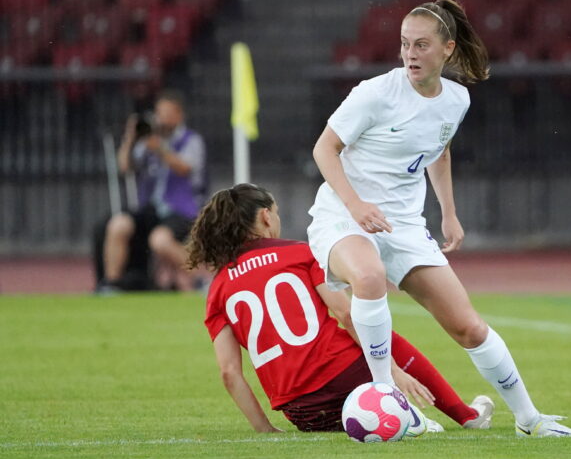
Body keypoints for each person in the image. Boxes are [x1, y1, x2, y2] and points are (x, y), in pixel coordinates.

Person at [307, 0, 571, 437]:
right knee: (370, 277)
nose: (410, 55)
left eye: (421, 45)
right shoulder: (374, 93)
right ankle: (387, 400)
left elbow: (439, 150)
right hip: (343, 215)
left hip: (405, 225)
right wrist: (357, 206)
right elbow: (324, 149)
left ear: (447, 49)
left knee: (469, 327)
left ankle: (530, 420)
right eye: (404, 45)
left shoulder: (457, 99)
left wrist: (449, 213)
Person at [187, 183, 494, 433]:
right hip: (347, 378)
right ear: (266, 216)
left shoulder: (217, 289)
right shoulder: (299, 254)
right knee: (380, 330)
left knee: (364, 350)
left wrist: (265, 430)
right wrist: (392, 370)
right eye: (277, 213)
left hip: (303, 414)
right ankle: (460, 415)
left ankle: (391, 417)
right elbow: (347, 314)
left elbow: (229, 373)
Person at [96, 90, 207, 292]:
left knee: (160, 240)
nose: (161, 118)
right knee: (118, 224)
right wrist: (131, 138)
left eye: (166, 113)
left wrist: (160, 148)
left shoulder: (191, 140)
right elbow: (124, 167)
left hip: (181, 210)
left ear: (178, 115)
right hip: (150, 208)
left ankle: (200, 279)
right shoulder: (147, 142)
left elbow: (184, 168)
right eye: (158, 113)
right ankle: (111, 284)